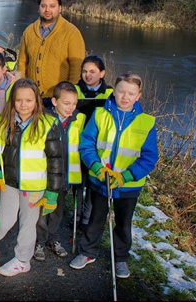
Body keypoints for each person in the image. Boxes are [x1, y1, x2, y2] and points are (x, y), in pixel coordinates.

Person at [70, 73, 159, 280]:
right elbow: (86, 144)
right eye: (121, 92)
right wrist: (97, 167)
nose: (125, 97)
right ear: (114, 91)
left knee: (123, 222)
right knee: (95, 219)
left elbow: (149, 158)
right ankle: (87, 252)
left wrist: (125, 176)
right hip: (101, 181)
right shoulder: (100, 114)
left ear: (138, 95)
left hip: (128, 186)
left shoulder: (146, 122)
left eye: (131, 93)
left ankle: (120, 258)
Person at [0, 78, 63, 276]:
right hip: (9, 183)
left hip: (34, 187)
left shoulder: (48, 124)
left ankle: (22, 260)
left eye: (28, 100)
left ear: (37, 102)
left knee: (27, 225)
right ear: (12, 101)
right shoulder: (3, 123)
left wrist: (52, 192)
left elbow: (56, 161)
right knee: (5, 222)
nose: (23, 105)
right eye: (18, 100)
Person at [34, 81, 85, 262]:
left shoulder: (79, 119)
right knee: (43, 212)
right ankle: (39, 241)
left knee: (57, 212)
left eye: (74, 104)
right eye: (66, 103)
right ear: (55, 102)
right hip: (46, 175)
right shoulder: (44, 119)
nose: (71, 108)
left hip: (65, 175)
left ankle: (52, 239)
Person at [17, 0, 85, 100]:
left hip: (59, 100)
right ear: (39, 8)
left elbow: (77, 67)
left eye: (52, 6)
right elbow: (21, 63)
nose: (47, 10)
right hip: (32, 98)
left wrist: (69, 95)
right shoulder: (29, 31)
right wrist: (22, 89)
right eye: (43, 6)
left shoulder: (71, 33)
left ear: (60, 8)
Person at [74, 55, 114, 229]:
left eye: (92, 72)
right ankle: (75, 215)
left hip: (98, 146)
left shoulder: (110, 93)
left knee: (92, 183)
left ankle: (87, 216)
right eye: (84, 71)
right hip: (76, 143)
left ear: (102, 73)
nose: (88, 75)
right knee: (77, 181)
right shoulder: (74, 90)